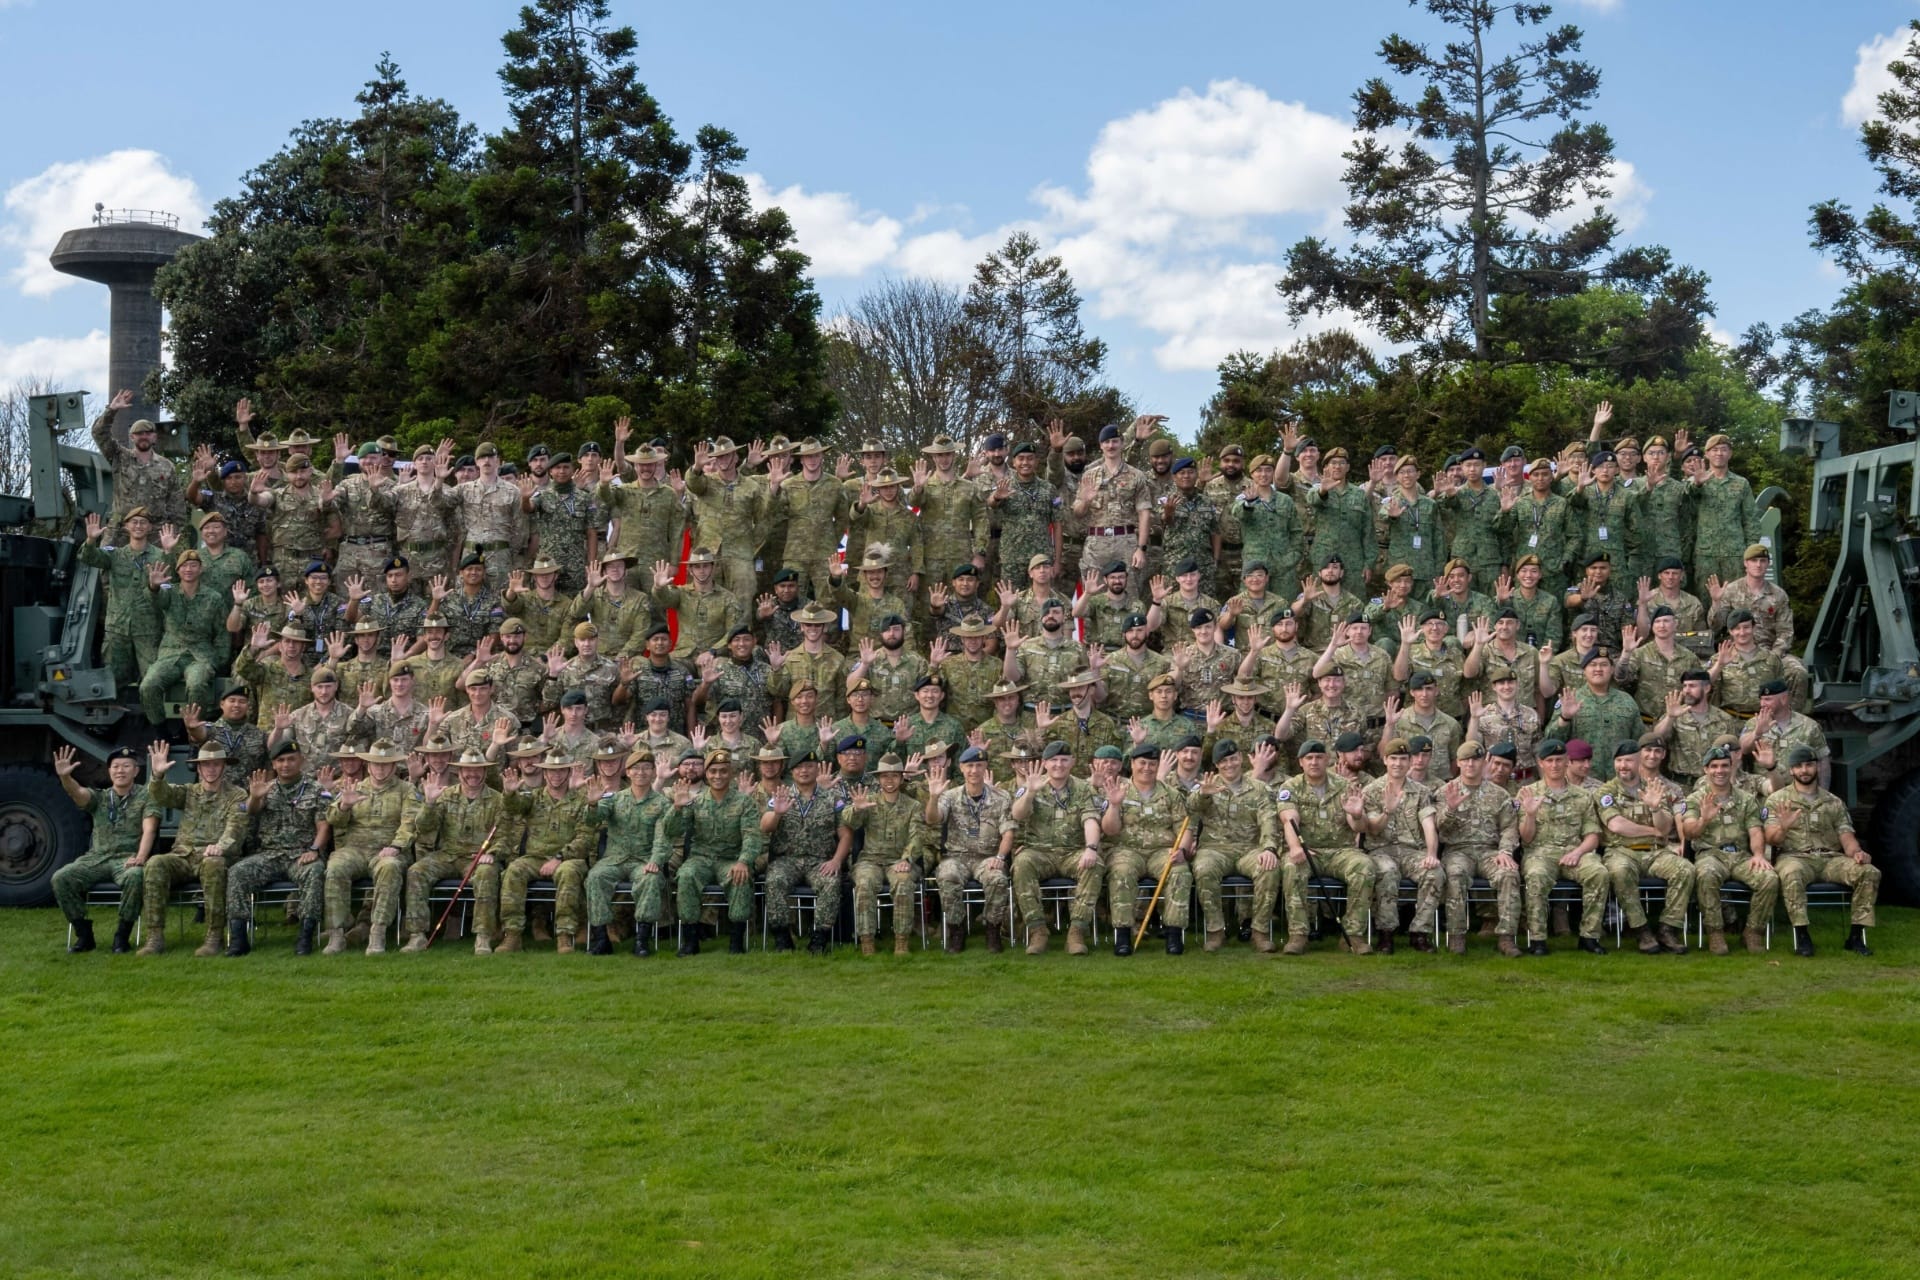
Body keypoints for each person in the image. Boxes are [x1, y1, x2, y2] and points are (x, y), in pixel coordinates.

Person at [136, 740, 248, 956]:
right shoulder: (188, 792)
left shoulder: (237, 795)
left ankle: (214, 936)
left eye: (216, 764)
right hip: (184, 856)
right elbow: (160, 796)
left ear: (224, 766)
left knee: (213, 865)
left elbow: (236, 828)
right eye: (206, 765)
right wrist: (158, 776)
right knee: (156, 863)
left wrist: (220, 847)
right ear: (198, 768)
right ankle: (154, 936)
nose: (211, 769)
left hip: (215, 856)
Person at [1766, 746, 1880, 958]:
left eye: (1809, 765)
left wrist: (1857, 853)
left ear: (1817, 767)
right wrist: (1783, 826)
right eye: (1799, 766)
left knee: (1869, 872)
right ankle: (1802, 936)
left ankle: (1855, 936)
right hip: (1795, 857)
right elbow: (1772, 839)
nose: (1804, 770)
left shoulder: (1833, 802)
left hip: (1830, 859)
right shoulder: (1778, 801)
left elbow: (1847, 836)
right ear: (1791, 771)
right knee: (1791, 873)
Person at [226, 740, 332, 956]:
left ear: (300, 760)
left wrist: (313, 849)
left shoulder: (316, 789)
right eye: (280, 760)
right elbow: (251, 812)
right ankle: (238, 938)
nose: (286, 764)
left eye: (291, 759)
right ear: (273, 764)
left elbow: (323, 826)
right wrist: (255, 797)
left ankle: (305, 936)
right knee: (238, 872)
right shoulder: (266, 788)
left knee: (315, 872)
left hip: (300, 855)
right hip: (269, 855)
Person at [52, 744, 160, 953]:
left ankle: (122, 936)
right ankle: (84, 934)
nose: (120, 770)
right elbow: (78, 793)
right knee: (61, 878)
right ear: (109, 771)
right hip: (97, 859)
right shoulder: (100, 797)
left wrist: (140, 857)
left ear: (136, 771)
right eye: (116, 766)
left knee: (136, 876)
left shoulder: (146, 796)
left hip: (127, 859)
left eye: (126, 766)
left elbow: (150, 829)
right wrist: (66, 778)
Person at [320, 738, 419, 956]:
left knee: (390, 867)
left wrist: (396, 846)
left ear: (394, 766)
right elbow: (333, 820)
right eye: (376, 764)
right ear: (368, 765)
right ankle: (337, 933)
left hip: (387, 849)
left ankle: (378, 931)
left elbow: (410, 823)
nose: (380, 768)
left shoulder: (406, 790)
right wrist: (345, 806)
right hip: (355, 849)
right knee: (335, 867)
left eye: (385, 764)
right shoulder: (353, 787)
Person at [403, 748, 508, 954]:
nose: (472, 775)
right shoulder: (445, 795)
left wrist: (493, 853)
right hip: (447, 855)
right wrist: (430, 804)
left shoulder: (497, 800)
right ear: (459, 773)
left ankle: (483, 936)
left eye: (477, 770)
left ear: (485, 773)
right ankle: (417, 935)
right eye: (467, 770)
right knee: (416, 871)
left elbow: (505, 835)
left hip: (477, 858)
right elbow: (425, 827)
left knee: (487, 874)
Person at [660, 747, 762, 956]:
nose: (718, 776)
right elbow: (671, 831)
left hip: (731, 858)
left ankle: (736, 940)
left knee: (739, 876)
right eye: (713, 771)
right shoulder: (695, 801)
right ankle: (690, 939)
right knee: (686, 876)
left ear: (730, 773)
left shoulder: (744, 802)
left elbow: (752, 836)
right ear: (706, 774)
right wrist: (677, 808)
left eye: (723, 771)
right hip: (701, 858)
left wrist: (743, 861)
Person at [1275, 740, 1374, 954]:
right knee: (1292, 867)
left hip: (1341, 851)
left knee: (1364, 866)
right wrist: (1294, 848)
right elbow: (1288, 818)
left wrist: (1357, 814)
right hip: (1308, 850)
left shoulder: (1344, 786)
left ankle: (1353, 936)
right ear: (1300, 762)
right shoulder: (1290, 787)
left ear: (1327, 760)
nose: (1314, 762)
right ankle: (1298, 935)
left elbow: (1358, 826)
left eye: (1319, 757)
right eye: (1309, 758)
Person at [1596, 742, 1693, 954]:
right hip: (1621, 851)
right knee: (1620, 871)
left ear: (1639, 762)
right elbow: (1616, 825)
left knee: (1685, 869)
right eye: (1619, 761)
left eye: (1628, 760)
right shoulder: (1606, 791)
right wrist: (1653, 832)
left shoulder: (1655, 788)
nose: (1623, 765)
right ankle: (1641, 930)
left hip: (1656, 852)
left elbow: (1666, 827)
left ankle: (1668, 929)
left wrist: (1656, 807)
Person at [1678, 743, 1776, 955]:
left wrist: (1758, 855)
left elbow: (1756, 831)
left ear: (1731, 767)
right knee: (1705, 875)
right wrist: (1704, 819)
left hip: (1741, 856)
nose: (1719, 771)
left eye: (1724, 765)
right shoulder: (1696, 799)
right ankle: (1715, 933)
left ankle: (1753, 932)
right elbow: (1689, 832)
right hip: (1711, 855)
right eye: (1714, 766)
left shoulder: (1746, 799)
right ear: (1706, 770)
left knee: (1769, 878)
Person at [496, 750, 595, 954]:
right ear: (545, 774)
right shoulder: (533, 798)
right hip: (535, 857)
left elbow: (585, 838)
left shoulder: (581, 800)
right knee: (514, 870)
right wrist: (509, 793)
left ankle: (565, 936)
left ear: (568, 772)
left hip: (569, 858)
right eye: (551, 771)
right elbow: (514, 808)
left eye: (560, 771)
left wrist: (559, 858)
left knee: (568, 873)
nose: (555, 776)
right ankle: (512, 935)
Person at [1516, 739, 1609, 955]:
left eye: (1559, 760)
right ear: (1541, 763)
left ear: (1567, 762)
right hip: (1540, 853)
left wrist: (1577, 852)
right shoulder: (1528, 793)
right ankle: (1538, 940)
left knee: (1598, 872)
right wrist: (1530, 814)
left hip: (1575, 852)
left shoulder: (1582, 796)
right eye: (1550, 761)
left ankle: (1589, 937)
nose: (1555, 765)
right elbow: (1526, 839)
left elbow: (1593, 835)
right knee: (1536, 875)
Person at [1186, 739, 1280, 952]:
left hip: (1250, 849)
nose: (1229, 764)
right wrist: (1203, 794)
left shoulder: (1259, 789)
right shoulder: (1207, 784)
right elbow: (1190, 807)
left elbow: (1268, 820)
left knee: (1269, 867)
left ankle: (1260, 932)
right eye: (1224, 761)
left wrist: (1269, 848)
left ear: (1241, 759)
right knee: (1203, 868)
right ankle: (1216, 931)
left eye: (1233, 759)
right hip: (1215, 849)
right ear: (1217, 765)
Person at [1099, 742, 1192, 956]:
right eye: (1142, 763)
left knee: (1179, 872)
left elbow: (1185, 828)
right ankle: (1123, 934)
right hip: (1126, 850)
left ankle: (1174, 933)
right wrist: (1114, 806)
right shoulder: (1117, 790)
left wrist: (1183, 852)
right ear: (1132, 764)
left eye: (1152, 764)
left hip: (1162, 851)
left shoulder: (1171, 794)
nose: (1147, 768)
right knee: (1122, 872)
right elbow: (1109, 830)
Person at [1352, 737, 1442, 954]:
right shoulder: (1373, 790)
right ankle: (1386, 933)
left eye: (1403, 759)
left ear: (1410, 761)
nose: (1398, 764)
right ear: (1385, 760)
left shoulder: (1420, 792)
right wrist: (1388, 811)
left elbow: (1429, 824)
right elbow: (1372, 829)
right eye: (1393, 758)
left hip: (1412, 850)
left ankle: (1419, 933)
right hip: (1381, 850)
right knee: (1387, 872)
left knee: (1435, 873)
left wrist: (1431, 854)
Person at [922, 745, 1015, 952]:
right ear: (962, 768)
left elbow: (1008, 832)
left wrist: (1000, 857)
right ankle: (957, 930)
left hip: (987, 857)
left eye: (979, 765)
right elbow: (932, 819)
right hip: (957, 857)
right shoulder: (950, 796)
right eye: (970, 766)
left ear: (986, 768)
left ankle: (993, 930)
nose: (974, 770)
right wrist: (934, 797)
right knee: (947, 875)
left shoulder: (1001, 797)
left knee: (997, 879)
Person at [1435, 742, 1523, 956]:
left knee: (1509, 874)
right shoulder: (1445, 792)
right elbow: (1438, 830)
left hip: (1489, 852)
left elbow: (1510, 828)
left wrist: (1505, 852)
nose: (1471, 764)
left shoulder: (1498, 794)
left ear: (1484, 763)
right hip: (1458, 851)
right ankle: (1456, 936)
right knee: (1455, 874)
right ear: (1458, 763)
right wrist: (1451, 809)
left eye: (1476, 759)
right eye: (1466, 760)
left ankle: (1506, 937)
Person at [760, 747, 849, 954]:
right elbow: (765, 827)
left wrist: (836, 860)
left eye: (809, 766)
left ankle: (819, 938)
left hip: (820, 860)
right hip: (787, 860)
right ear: (791, 772)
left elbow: (845, 835)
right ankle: (782, 937)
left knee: (830, 881)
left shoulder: (832, 798)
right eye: (799, 768)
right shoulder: (781, 795)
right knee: (775, 880)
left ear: (817, 769)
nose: (804, 771)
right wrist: (777, 814)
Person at [583, 750, 672, 957]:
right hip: (615, 858)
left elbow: (663, 838)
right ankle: (602, 939)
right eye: (636, 768)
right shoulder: (615, 799)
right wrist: (593, 803)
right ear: (628, 772)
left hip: (643, 860)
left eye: (647, 768)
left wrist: (656, 861)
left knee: (650, 879)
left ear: (653, 773)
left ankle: (641, 939)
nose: (641, 772)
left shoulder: (661, 803)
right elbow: (592, 820)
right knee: (596, 877)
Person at [843, 752, 927, 956]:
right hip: (870, 860)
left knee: (904, 882)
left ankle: (901, 941)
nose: (889, 781)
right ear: (879, 779)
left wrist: (907, 859)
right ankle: (867, 941)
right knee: (864, 883)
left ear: (901, 778)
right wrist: (857, 809)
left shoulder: (913, 806)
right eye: (885, 776)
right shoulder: (869, 801)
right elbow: (849, 822)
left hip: (899, 860)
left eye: (894, 776)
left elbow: (917, 837)